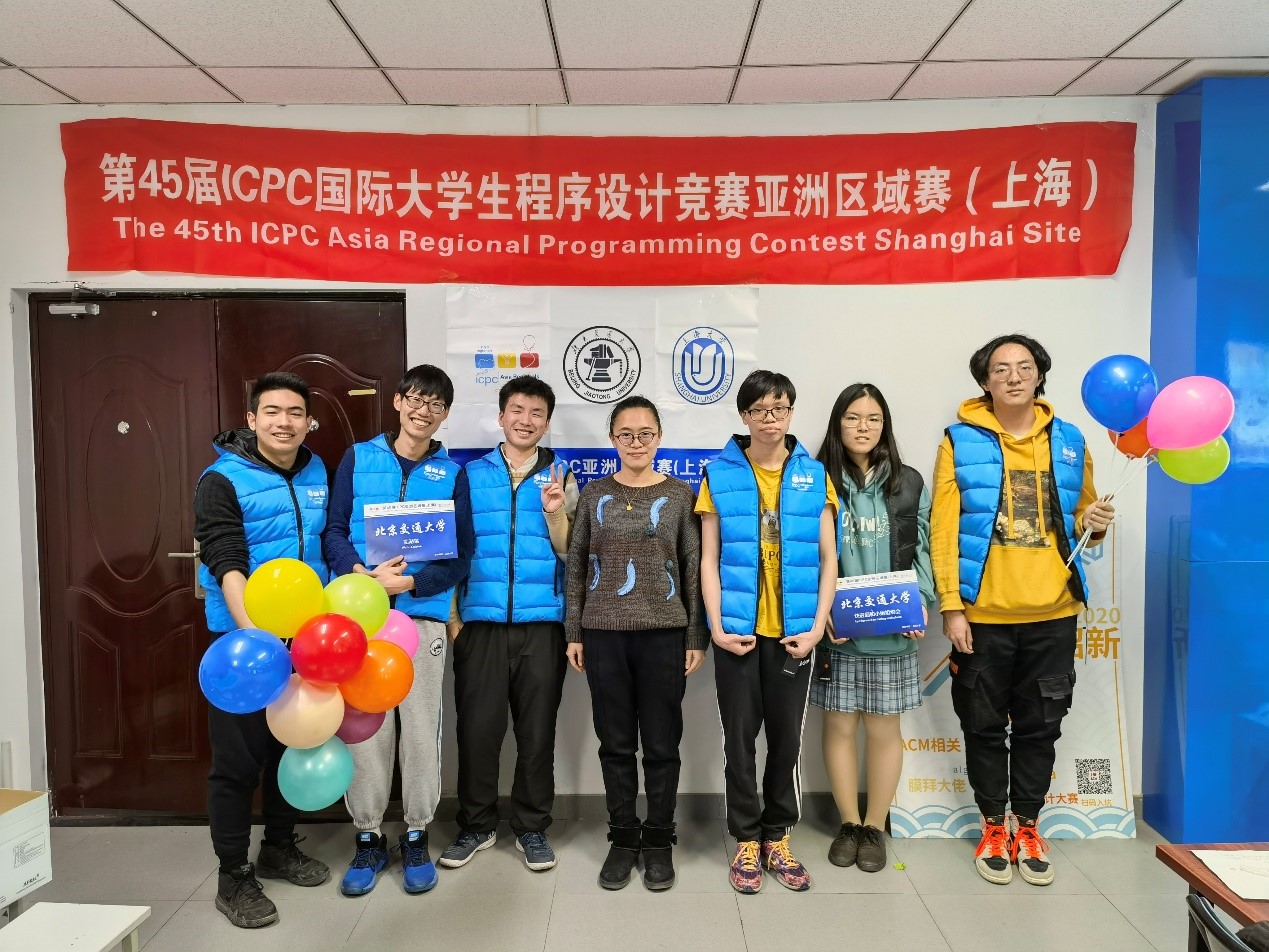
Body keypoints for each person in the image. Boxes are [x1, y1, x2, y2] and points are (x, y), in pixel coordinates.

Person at [931, 334, 1115, 887]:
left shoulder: (1070, 439)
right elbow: (943, 530)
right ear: (984, 381)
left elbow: (1083, 522)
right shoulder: (958, 441)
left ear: (1040, 376)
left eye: (1024, 367)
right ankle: (993, 826)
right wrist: (952, 607)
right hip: (983, 616)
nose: (1013, 376)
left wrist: (1096, 525)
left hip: (1053, 613)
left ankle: (1029, 826)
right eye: (1001, 368)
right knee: (983, 726)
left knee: (1041, 727)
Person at [321, 364, 468, 897]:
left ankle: (416, 834)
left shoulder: (452, 474)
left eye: (437, 404)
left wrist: (410, 583)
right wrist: (362, 576)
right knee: (366, 730)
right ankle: (368, 836)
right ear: (398, 402)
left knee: (421, 729)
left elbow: (460, 556)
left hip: (422, 619)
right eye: (417, 399)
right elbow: (333, 532)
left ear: (445, 415)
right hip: (361, 617)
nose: (425, 411)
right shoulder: (358, 458)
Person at [194, 372, 331, 929]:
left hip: (305, 639)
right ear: (252, 419)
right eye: (272, 412)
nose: (284, 422)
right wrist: (255, 635)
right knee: (237, 762)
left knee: (288, 747)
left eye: (295, 412)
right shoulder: (220, 479)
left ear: (308, 422)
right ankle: (233, 875)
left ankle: (278, 846)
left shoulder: (317, 470)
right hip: (243, 646)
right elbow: (225, 560)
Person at [697, 369, 838, 895]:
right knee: (739, 741)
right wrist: (716, 627)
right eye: (759, 410)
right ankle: (746, 839)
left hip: (794, 635)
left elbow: (829, 558)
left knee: (786, 741)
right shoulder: (719, 474)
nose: (770, 419)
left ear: (791, 413)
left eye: (779, 408)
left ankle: (778, 836)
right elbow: (709, 559)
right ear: (744, 415)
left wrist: (818, 627)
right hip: (738, 634)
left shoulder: (814, 474)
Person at [563, 395, 707, 892]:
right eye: (626, 434)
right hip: (603, 633)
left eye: (645, 433)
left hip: (665, 634)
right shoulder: (594, 494)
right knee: (616, 744)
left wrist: (695, 635)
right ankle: (623, 838)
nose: (636, 442)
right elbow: (576, 563)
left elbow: (692, 568)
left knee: (662, 746)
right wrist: (574, 630)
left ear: (660, 437)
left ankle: (660, 839)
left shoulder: (681, 495)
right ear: (612, 439)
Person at [439, 375, 577, 873]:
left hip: (543, 624)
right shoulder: (469, 475)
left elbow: (572, 552)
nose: (526, 420)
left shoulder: (562, 476)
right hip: (480, 624)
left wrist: (555, 513)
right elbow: (450, 550)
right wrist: (454, 619)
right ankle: (476, 825)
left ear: (547, 422)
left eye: (537, 413)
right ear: (501, 416)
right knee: (477, 731)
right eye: (517, 410)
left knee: (537, 733)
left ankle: (532, 827)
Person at [812, 383, 935, 874]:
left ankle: (874, 826)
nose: (863, 427)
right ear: (837, 424)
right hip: (838, 629)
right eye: (852, 418)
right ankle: (848, 823)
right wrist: (820, 615)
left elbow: (923, 548)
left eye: (873, 419)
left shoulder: (909, 482)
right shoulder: (815, 478)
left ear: (885, 426)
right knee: (839, 725)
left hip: (893, 628)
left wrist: (920, 601)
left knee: (884, 729)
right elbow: (804, 553)